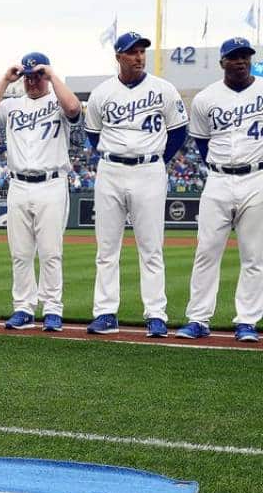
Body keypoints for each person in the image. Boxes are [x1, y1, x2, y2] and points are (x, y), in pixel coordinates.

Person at [84, 32, 188, 337]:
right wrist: (115, 154)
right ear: (118, 57)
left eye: (142, 51)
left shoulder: (163, 89)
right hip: (111, 170)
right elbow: (93, 134)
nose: (139, 56)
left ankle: (156, 314)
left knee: (151, 247)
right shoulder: (102, 93)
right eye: (132, 52)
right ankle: (105, 313)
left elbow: (178, 132)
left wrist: (156, 160)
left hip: (149, 171)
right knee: (106, 248)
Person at [0, 53, 81, 333]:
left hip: (52, 182)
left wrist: (51, 75)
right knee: (20, 253)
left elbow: (73, 107)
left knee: (50, 252)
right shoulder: (12, 105)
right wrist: (4, 80)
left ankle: (52, 309)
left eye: (37, 75)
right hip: (19, 184)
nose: (32, 81)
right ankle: (23, 308)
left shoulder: (57, 101)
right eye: (28, 76)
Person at [176, 37, 261, 343]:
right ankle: (198, 319)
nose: (241, 61)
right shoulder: (205, 98)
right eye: (235, 57)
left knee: (255, 256)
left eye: (245, 56)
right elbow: (201, 141)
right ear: (222, 62)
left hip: (256, 178)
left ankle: (247, 321)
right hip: (218, 179)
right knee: (207, 251)